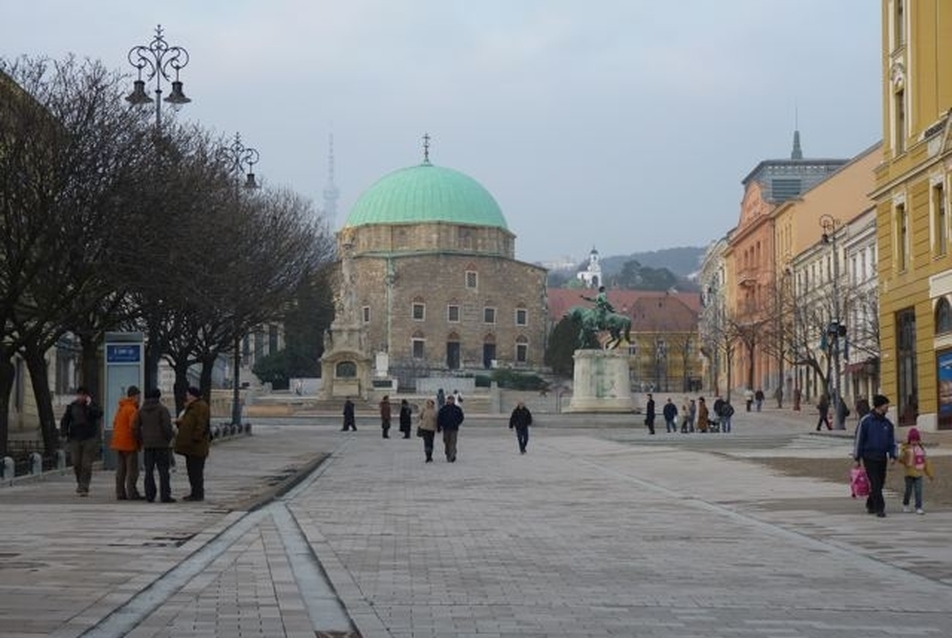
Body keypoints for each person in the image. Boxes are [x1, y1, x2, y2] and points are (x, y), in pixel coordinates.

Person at [853, 394, 897, 518]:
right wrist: (857, 458)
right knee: (875, 482)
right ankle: (880, 508)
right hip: (869, 457)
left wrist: (893, 455)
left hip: (882, 457)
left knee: (880, 482)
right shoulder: (866, 421)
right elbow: (859, 439)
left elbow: (891, 440)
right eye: (886, 405)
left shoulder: (887, 423)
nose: (888, 407)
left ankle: (870, 503)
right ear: (880, 406)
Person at [60, 386, 104, 497]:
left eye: (83, 395)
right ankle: (80, 482)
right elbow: (65, 420)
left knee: (86, 464)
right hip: (75, 438)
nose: (81, 397)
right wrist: (63, 433)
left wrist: (89, 405)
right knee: (76, 462)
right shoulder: (72, 406)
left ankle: (84, 486)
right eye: (79, 394)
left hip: (89, 438)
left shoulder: (92, 406)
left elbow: (99, 414)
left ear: (87, 396)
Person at [134, 388, 175, 503]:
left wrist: (141, 440)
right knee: (163, 471)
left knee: (149, 471)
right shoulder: (162, 410)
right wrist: (168, 439)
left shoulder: (141, 411)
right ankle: (165, 495)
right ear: (158, 397)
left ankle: (150, 495)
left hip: (148, 446)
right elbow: (167, 427)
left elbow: (135, 427)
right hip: (162, 445)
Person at [174, 386, 211, 502]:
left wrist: (195, 438)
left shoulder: (200, 407)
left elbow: (201, 424)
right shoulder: (192, 407)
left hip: (196, 446)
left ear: (193, 395)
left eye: (188, 394)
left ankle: (197, 494)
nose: (186, 396)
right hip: (191, 446)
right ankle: (194, 492)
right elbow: (189, 422)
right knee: (192, 471)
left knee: (196, 471)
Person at [110, 385, 143, 501]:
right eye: (139, 396)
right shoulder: (132, 409)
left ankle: (120, 493)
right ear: (134, 396)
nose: (140, 398)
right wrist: (139, 440)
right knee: (132, 470)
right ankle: (132, 493)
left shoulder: (121, 408)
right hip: (129, 443)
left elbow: (115, 423)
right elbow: (134, 426)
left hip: (119, 443)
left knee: (121, 470)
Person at [898, 427, 934, 514]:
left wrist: (930, 474)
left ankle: (919, 507)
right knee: (908, 491)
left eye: (916, 440)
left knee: (918, 491)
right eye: (912, 440)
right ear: (909, 440)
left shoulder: (921, 450)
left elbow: (926, 463)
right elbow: (900, 460)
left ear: (918, 440)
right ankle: (906, 504)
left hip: (919, 474)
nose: (914, 442)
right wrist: (903, 452)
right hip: (909, 474)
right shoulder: (906, 448)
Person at [437, 394, 464, 462]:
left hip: (454, 428)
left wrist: (457, 423)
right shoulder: (443, 409)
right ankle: (448, 453)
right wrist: (439, 426)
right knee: (446, 441)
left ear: (453, 400)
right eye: (449, 399)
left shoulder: (457, 409)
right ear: (447, 400)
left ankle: (452, 455)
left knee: (453, 442)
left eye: (452, 400)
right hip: (446, 428)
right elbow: (439, 418)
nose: (450, 401)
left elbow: (461, 417)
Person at [418, 398, 438, 462]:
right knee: (426, 442)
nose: (429, 404)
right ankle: (427, 456)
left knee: (431, 443)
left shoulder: (435, 411)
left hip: (432, 429)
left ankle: (430, 455)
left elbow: (436, 420)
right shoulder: (424, 410)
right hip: (425, 428)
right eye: (428, 403)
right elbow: (420, 416)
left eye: (431, 403)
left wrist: (438, 427)